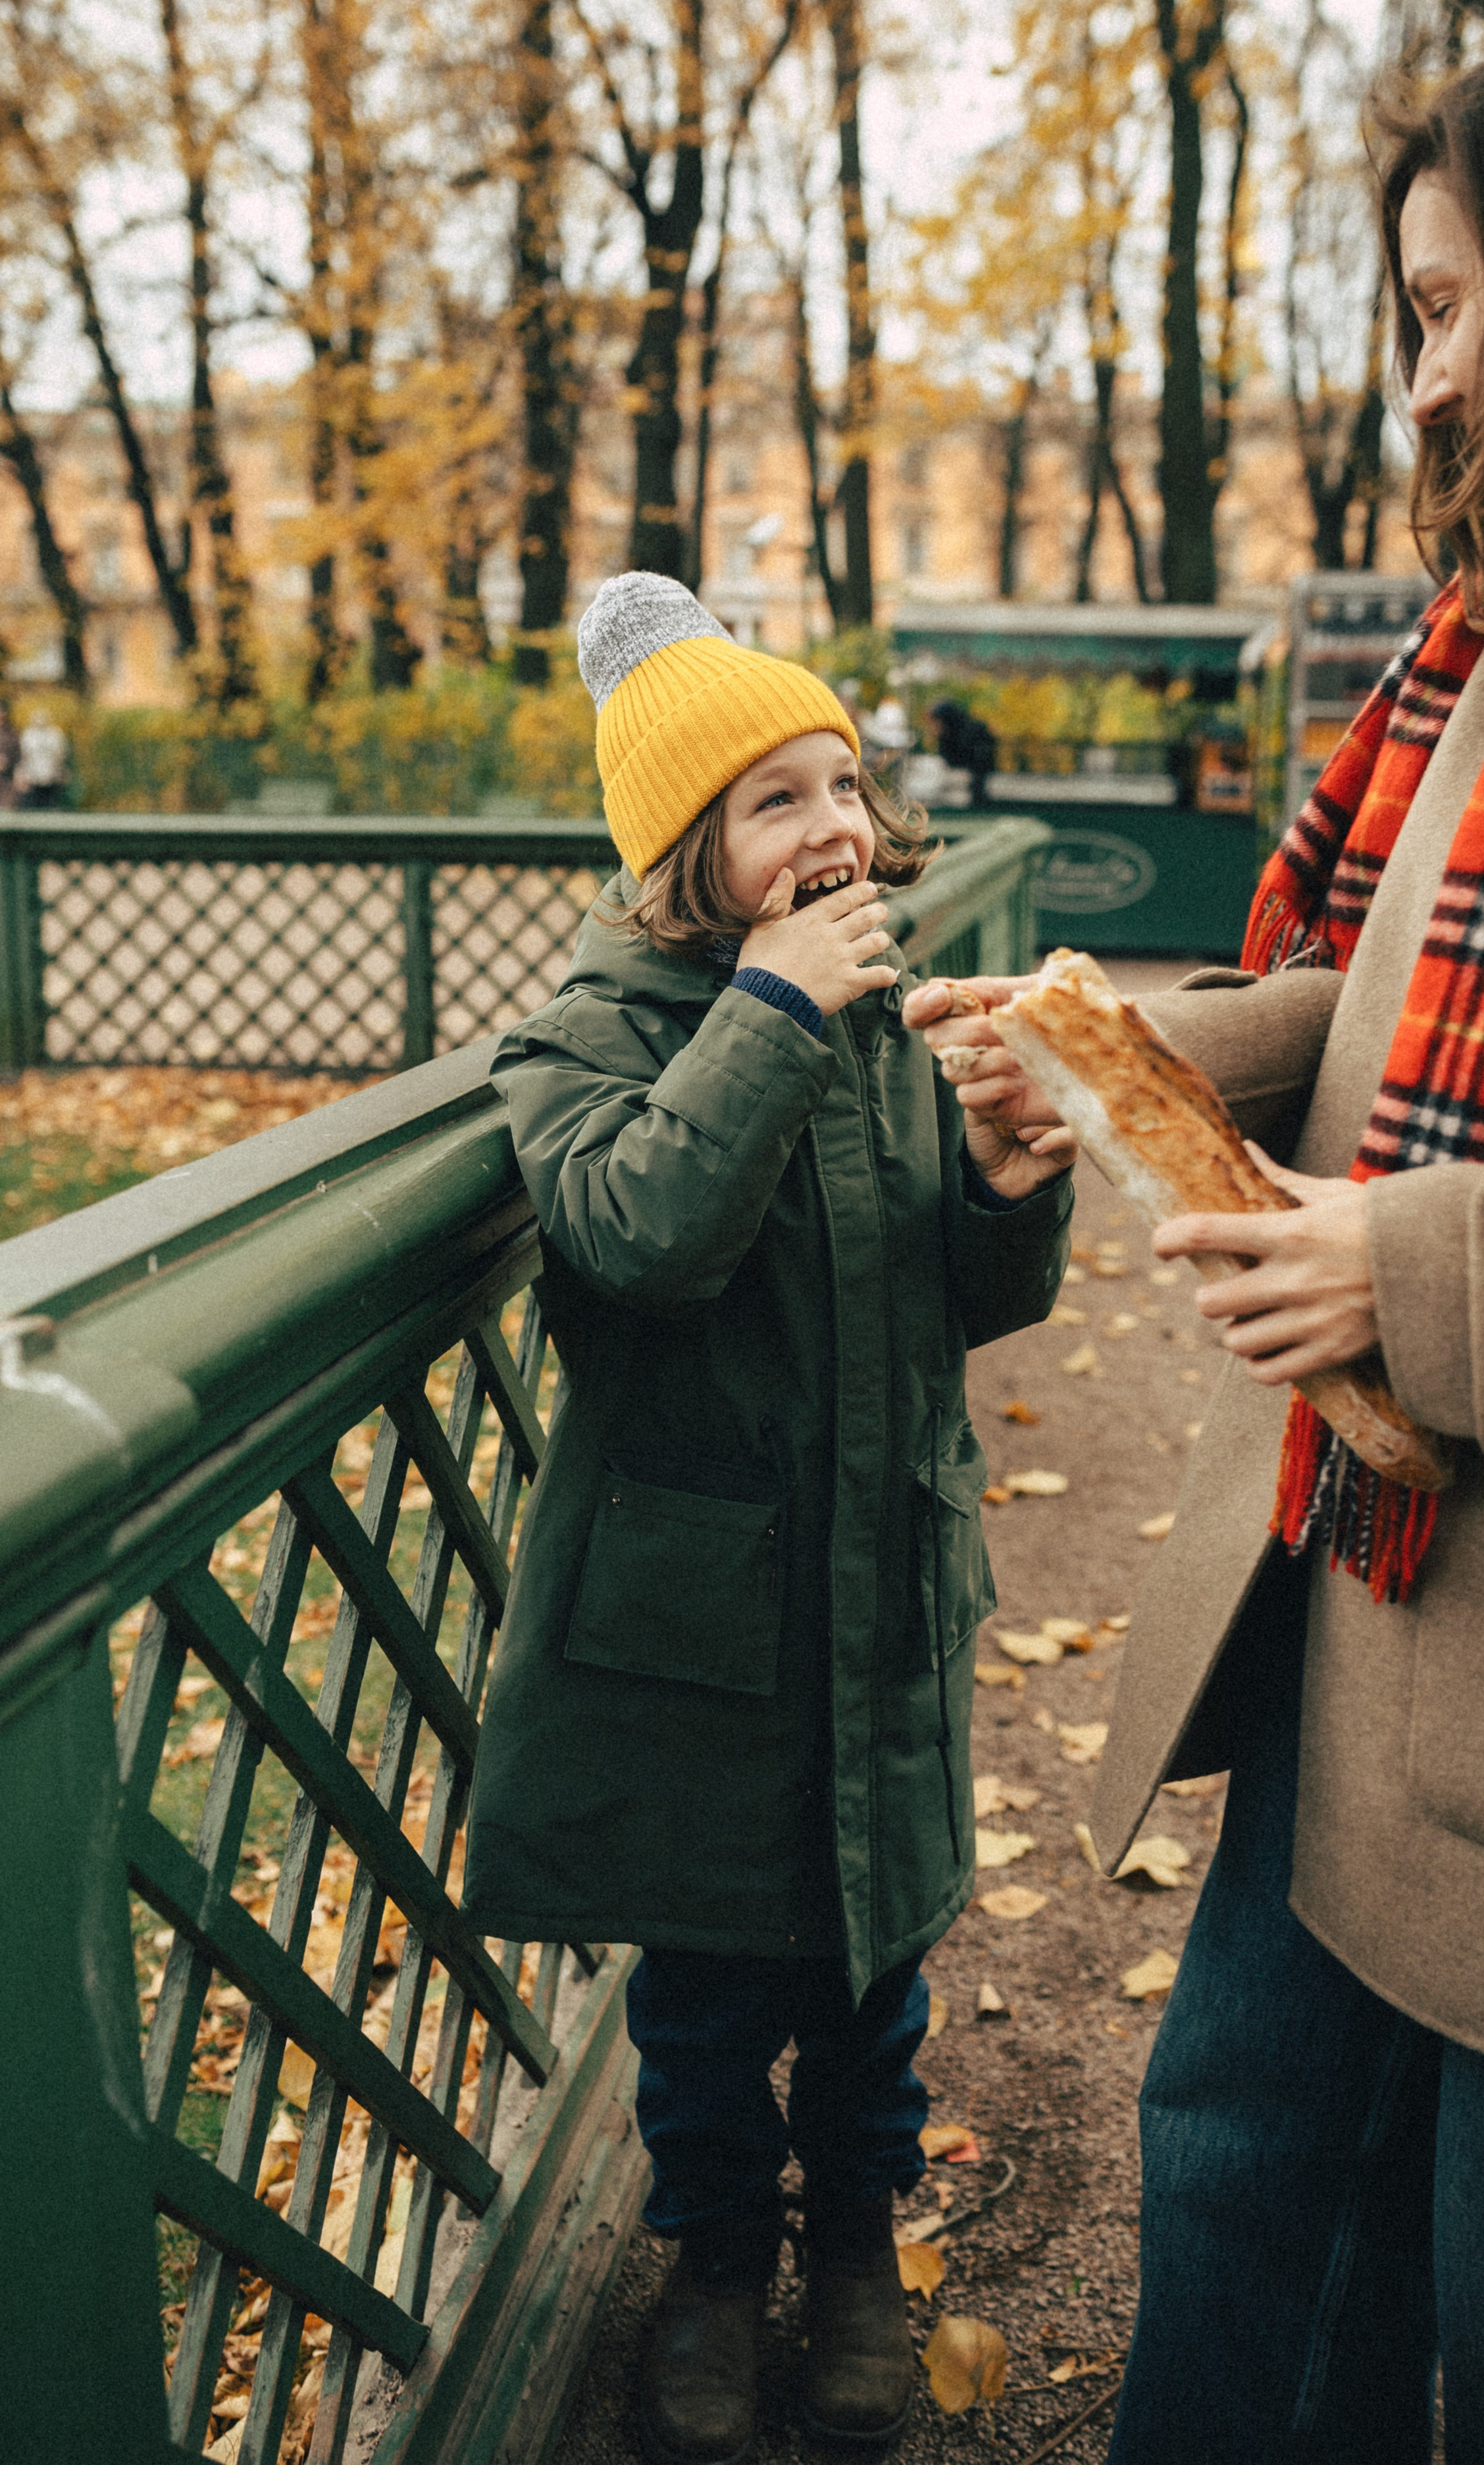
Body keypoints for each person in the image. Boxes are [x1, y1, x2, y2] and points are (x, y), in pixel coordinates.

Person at [906, 0, 1484, 2464]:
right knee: (1242, 2247)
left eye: (1454, 310)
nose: (1424, 390)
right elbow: (1398, 995)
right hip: (1349, 1652)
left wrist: (1418, 1281)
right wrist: (1132, 1062)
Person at [462, 573, 1073, 2464]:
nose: (836, 829)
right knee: (714, 1995)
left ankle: (863, 2264)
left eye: (841, 784)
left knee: (869, 1975)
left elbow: (960, 1300)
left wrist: (995, 1181)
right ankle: (719, 2262)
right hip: (699, 1632)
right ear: (681, 859)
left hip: (875, 1590)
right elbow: (639, 1236)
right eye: (775, 803)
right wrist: (768, 1014)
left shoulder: (884, 1017)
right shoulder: (584, 1032)